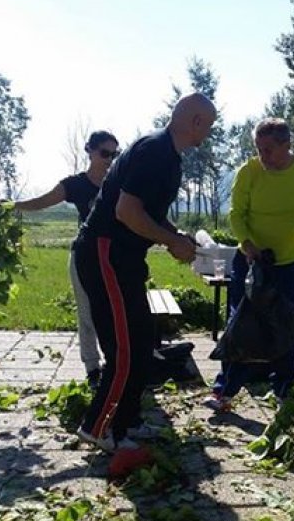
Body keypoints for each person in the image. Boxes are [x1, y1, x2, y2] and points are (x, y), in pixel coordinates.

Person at [73, 92, 216, 452]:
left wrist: (175, 236)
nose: (210, 133)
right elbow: (126, 212)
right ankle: (97, 427)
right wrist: (171, 240)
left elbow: (147, 212)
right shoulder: (154, 151)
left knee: (140, 345)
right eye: (209, 125)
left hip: (127, 259)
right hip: (107, 253)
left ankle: (125, 426)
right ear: (195, 121)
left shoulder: (169, 157)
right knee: (124, 350)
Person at [204, 118, 294, 412]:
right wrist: (248, 244)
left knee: (286, 326)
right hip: (251, 260)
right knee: (239, 325)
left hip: (289, 263)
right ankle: (224, 391)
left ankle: (285, 391)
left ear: (286, 146)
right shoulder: (248, 172)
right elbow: (237, 215)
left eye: (268, 150)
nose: (262, 157)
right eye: (258, 149)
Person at [14, 130, 119, 389]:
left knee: (114, 314)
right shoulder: (76, 184)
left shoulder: (117, 183)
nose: (109, 159)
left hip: (114, 257)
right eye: (105, 153)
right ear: (90, 151)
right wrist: (12, 206)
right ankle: (93, 369)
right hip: (84, 256)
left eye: (114, 154)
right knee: (87, 314)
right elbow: (42, 201)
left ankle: (116, 365)